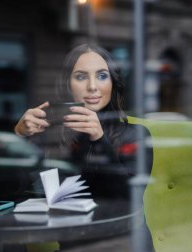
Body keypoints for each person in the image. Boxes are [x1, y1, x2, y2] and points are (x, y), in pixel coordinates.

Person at [13, 43, 153, 198]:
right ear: (69, 86)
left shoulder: (134, 133)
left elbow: (130, 195)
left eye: (102, 76)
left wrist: (100, 139)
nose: (92, 86)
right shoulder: (78, 135)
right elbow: (15, 189)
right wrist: (21, 137)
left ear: (113, 83)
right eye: (80, 76)